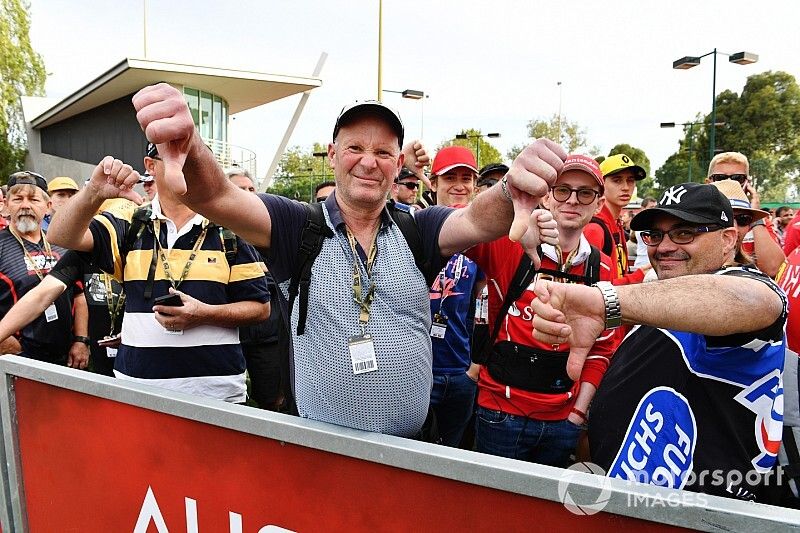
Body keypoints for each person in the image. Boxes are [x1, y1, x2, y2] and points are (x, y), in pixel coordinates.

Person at [127, 83, 565, 437]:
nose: (369, 163)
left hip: (409, 453)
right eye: (355, 147)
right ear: (333, 155)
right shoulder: (297, 226)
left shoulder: (418, 229)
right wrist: (192, 143)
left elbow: (474, 219)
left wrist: (509, 189)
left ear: (398, 165)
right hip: (320, 459)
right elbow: (218, 196)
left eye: (384, 152)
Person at [532, 182, 787, 502]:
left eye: (684, 233)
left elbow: (752, 301)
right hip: (629, 502)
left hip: (699, 512)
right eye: (655, 235)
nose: (664, 246)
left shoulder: (744, 287)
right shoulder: (659, 296)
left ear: (727, 239)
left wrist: (605, 302)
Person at [47, 147, 271, 403]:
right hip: (137, 392)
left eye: (195, 158)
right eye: (175, 158)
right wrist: (93, 193)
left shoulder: (228, 227)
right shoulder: (129, 223)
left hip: (216, 397)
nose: (186, 166)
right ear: (150, 165)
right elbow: (60, 236)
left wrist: (205, 314)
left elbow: (260, 308)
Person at [467, 154, 617, 467]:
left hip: (562, 422)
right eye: (562, 189)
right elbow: (455, 226)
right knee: (494, 508)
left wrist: (576, 415)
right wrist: (511, 205)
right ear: (546, 196)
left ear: (599, 204)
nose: (572, 200)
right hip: (499, 414)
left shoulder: (602, 266)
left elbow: (602, 347)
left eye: (585, 193)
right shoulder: (510, 243)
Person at [0, 171, 89, 368]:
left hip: (66, 358)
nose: (25, 205)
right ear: (6, 205)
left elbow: (79, 295)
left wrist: (81, 340)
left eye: (33, 199)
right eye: (17, 199)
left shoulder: (62, 243)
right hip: (19, 359)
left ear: (48, 207)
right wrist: (5, 342)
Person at [426, 146, 484, 447]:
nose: (460, 185)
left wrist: (475, 368)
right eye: (450, 178)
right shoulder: (415, 226)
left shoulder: (481, 239)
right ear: (433, 183)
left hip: (461, 371)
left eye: (467, 177)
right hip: (418, 369)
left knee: (453, 453)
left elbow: (486, 303)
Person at [227, 168, 286, 410]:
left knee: (272, 400)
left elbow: (283, 272)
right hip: (228, 334)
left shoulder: (271, 230)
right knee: (229, 402)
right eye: (240, 189)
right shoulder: (213, 233)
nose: (248, 194)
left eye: (251, 189)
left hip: (267, 334)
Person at [706, 152, 784, 277]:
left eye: (738, 178)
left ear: (747, 183)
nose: (730, 183)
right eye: (720, 178)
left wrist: (755, 219)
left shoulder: (760, 221)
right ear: (708, 182)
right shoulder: (692, 214)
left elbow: (773, 269)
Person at [583, 154, 649, 284]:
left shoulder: (616, 223)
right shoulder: (594, 228)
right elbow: (592, 288)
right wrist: (637, 277)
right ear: (601, 184)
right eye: (617, 180)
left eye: (630, 180)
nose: (625, 187)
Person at [711, 179, 785, 271]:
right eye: (724, 217)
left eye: (743, 219)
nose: (734, 229)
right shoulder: (688, 268)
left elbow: (774, 268)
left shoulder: (751, 275)